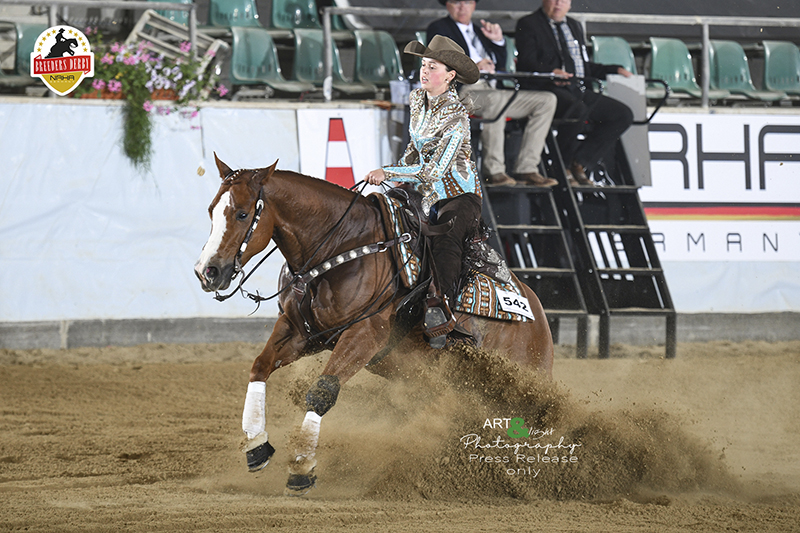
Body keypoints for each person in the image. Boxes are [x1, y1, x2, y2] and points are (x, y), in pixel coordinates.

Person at [365, 35, 481, 349]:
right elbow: (415, 154)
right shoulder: (417, 99)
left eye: (433, 66)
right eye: (424, 64)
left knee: (444, 238)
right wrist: (399, 171)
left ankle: (441, 310)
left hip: (458, 196)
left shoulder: (456, 117)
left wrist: (388, 172)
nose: (425, 71)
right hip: (426, 192)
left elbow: (434, 171)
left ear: (450, 75)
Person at [427, 0, 558, 187]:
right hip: (464, 92)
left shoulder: (481, 32)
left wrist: (498, 41)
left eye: (467, 2)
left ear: (474, 5)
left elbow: (501, 65)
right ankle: (494, 170)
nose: (462, 7)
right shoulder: (439, 28)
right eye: (456, 2)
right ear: (447, 5)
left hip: (493, 89)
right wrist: (473, 66)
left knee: (547, 100)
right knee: (496, 101)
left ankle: (527, 167)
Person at [515, 0, 634, 186]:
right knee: (577, 108)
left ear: (570, 4)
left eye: (563, 0)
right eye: (553, 0)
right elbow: (526, 63)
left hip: (577, 88)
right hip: (548, 88)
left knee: (623, 115)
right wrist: (551, 73)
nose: (557, 4)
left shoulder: (574, 25)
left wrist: (614, 69)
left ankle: (580, 162)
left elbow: (583, 66)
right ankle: (561, 164)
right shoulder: (528, 23)